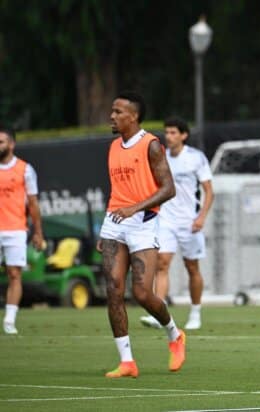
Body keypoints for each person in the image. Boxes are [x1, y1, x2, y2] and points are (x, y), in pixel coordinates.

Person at [98, 91, 185, 378]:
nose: (112, 116)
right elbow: (117, 192)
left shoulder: (152, 145)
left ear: (133, 116)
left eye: (118, 112)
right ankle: (127, 361)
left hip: (144, 224)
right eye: (112, 111)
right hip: (115, 222)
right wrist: (105, 228)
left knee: (142, 293)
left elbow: (168, 189)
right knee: (113, 289)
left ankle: (174, 335)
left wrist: (134, 208)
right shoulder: (112, 147)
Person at [140, 116, 214, 330]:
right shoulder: (161, 158)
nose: (169, 136)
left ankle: (195, 312)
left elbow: (209, 191)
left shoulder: (196, 158)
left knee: (192, 267)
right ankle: (159, 313)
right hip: (166, 221)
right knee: (162, 263)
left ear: (184, 135)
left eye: (174, 132)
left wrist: (201, 217)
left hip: (189, 222)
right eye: (167, 132)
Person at [0, 126, 45, 335]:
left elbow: (34, 204)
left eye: (1, 142)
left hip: (16, 229)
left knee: (14, 274)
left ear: (11, 144)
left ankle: (9, 321)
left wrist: (38, 232)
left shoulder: (25, 169)